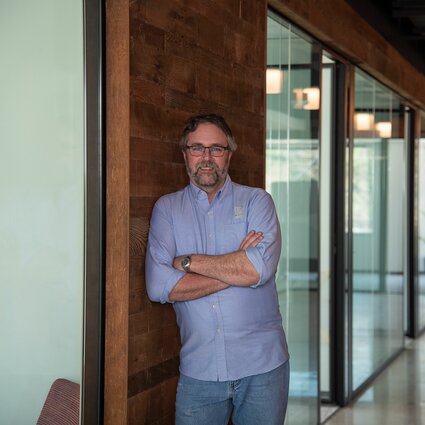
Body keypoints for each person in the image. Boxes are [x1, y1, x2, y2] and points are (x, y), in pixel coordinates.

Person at [145, 113, 289, 425]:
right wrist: (237, 263)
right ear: (185, 153)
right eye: (197, 148)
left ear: (229, 154)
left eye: (216, 149)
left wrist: (189, 262)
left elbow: (260, 269)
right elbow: (159, 287)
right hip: (200, 371)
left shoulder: (257, 202)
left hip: (263, 367)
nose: (206, 158)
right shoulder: (167, 210)